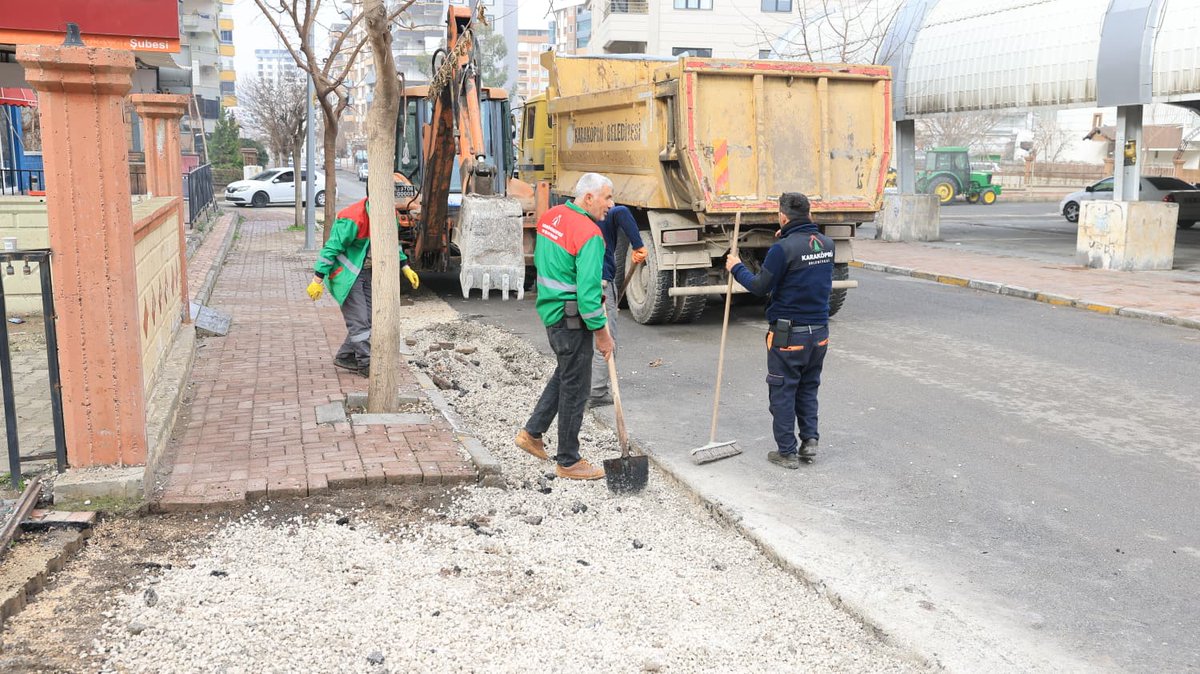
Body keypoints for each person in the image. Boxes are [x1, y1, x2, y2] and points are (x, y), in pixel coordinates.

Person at [515, 173, 616, 480]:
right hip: (571, 319)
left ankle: (532, 433)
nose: (611, 205)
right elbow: (588, 298)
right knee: (576, 386)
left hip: (551, 311)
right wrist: (602, 335)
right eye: (607, 198)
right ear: (588, 198)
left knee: (565, 373)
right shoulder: (589, 234)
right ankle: (569, 460)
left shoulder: (551, 218)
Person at [725, 192, 833, 469]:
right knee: (808, 388)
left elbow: (760, 286)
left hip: (789, 335)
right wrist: (784, 240)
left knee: (783, 392)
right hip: (819, 334)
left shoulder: (782, 249)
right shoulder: (826, 244)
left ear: (782, 217)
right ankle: (810, 442)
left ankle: (786, 452)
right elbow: (803, 264)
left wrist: (736, 267)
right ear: (809, 214)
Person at [306, 198, 421, 377]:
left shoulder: (389, 215)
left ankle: (345, 355)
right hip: (346, 275)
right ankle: (366, 363)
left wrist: (405, 266)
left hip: (366, 272)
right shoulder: (352, 218)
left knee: (370, 319)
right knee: (359, 321)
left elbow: (393, 243)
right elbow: (331, 249)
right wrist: (317, 279)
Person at [588, 205, 647, 407]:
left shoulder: (576, 216)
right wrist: (638, 245)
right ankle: (595, 392)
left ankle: (582, 387)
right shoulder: (607, 212)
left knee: (587, 336)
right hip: (601, 283)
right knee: (606, 337)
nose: (611, 203)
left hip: (580, 284)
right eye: (608, 197)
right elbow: (621, 211)